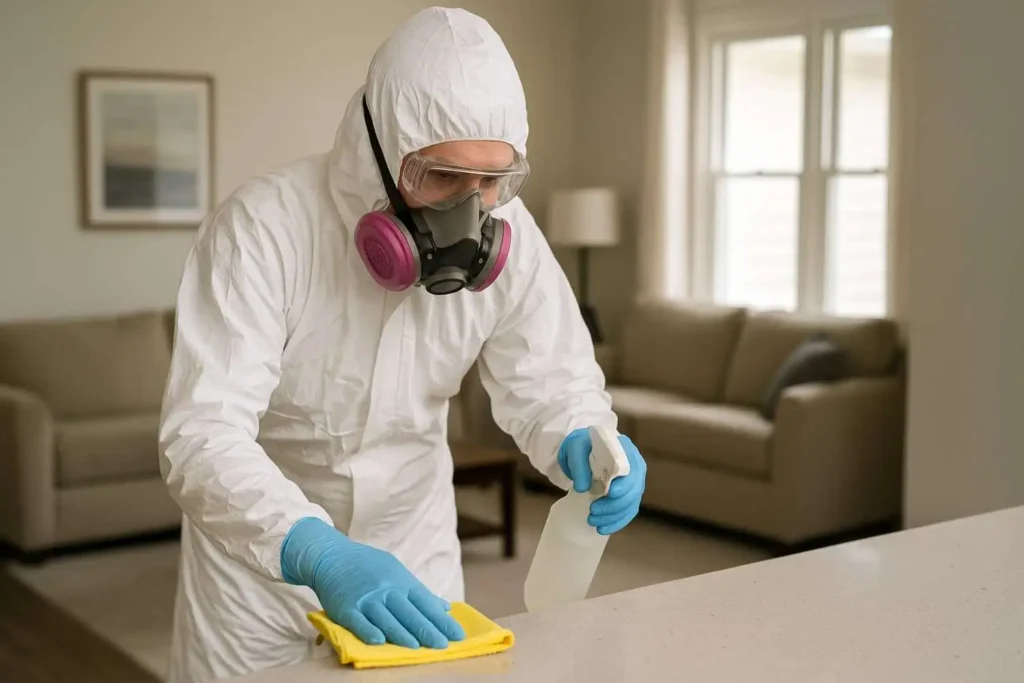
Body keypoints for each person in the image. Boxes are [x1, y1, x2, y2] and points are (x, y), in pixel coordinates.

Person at [158, 6, 648, 682]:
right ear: (379, 150)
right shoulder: (262, 230)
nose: (471, 211)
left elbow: (554, 383)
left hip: (416, 561)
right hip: (261, 574)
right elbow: (202, 435)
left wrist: (585, 439)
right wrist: (318, 552)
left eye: (491, 181)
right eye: (442, 176)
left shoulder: (515, 235)